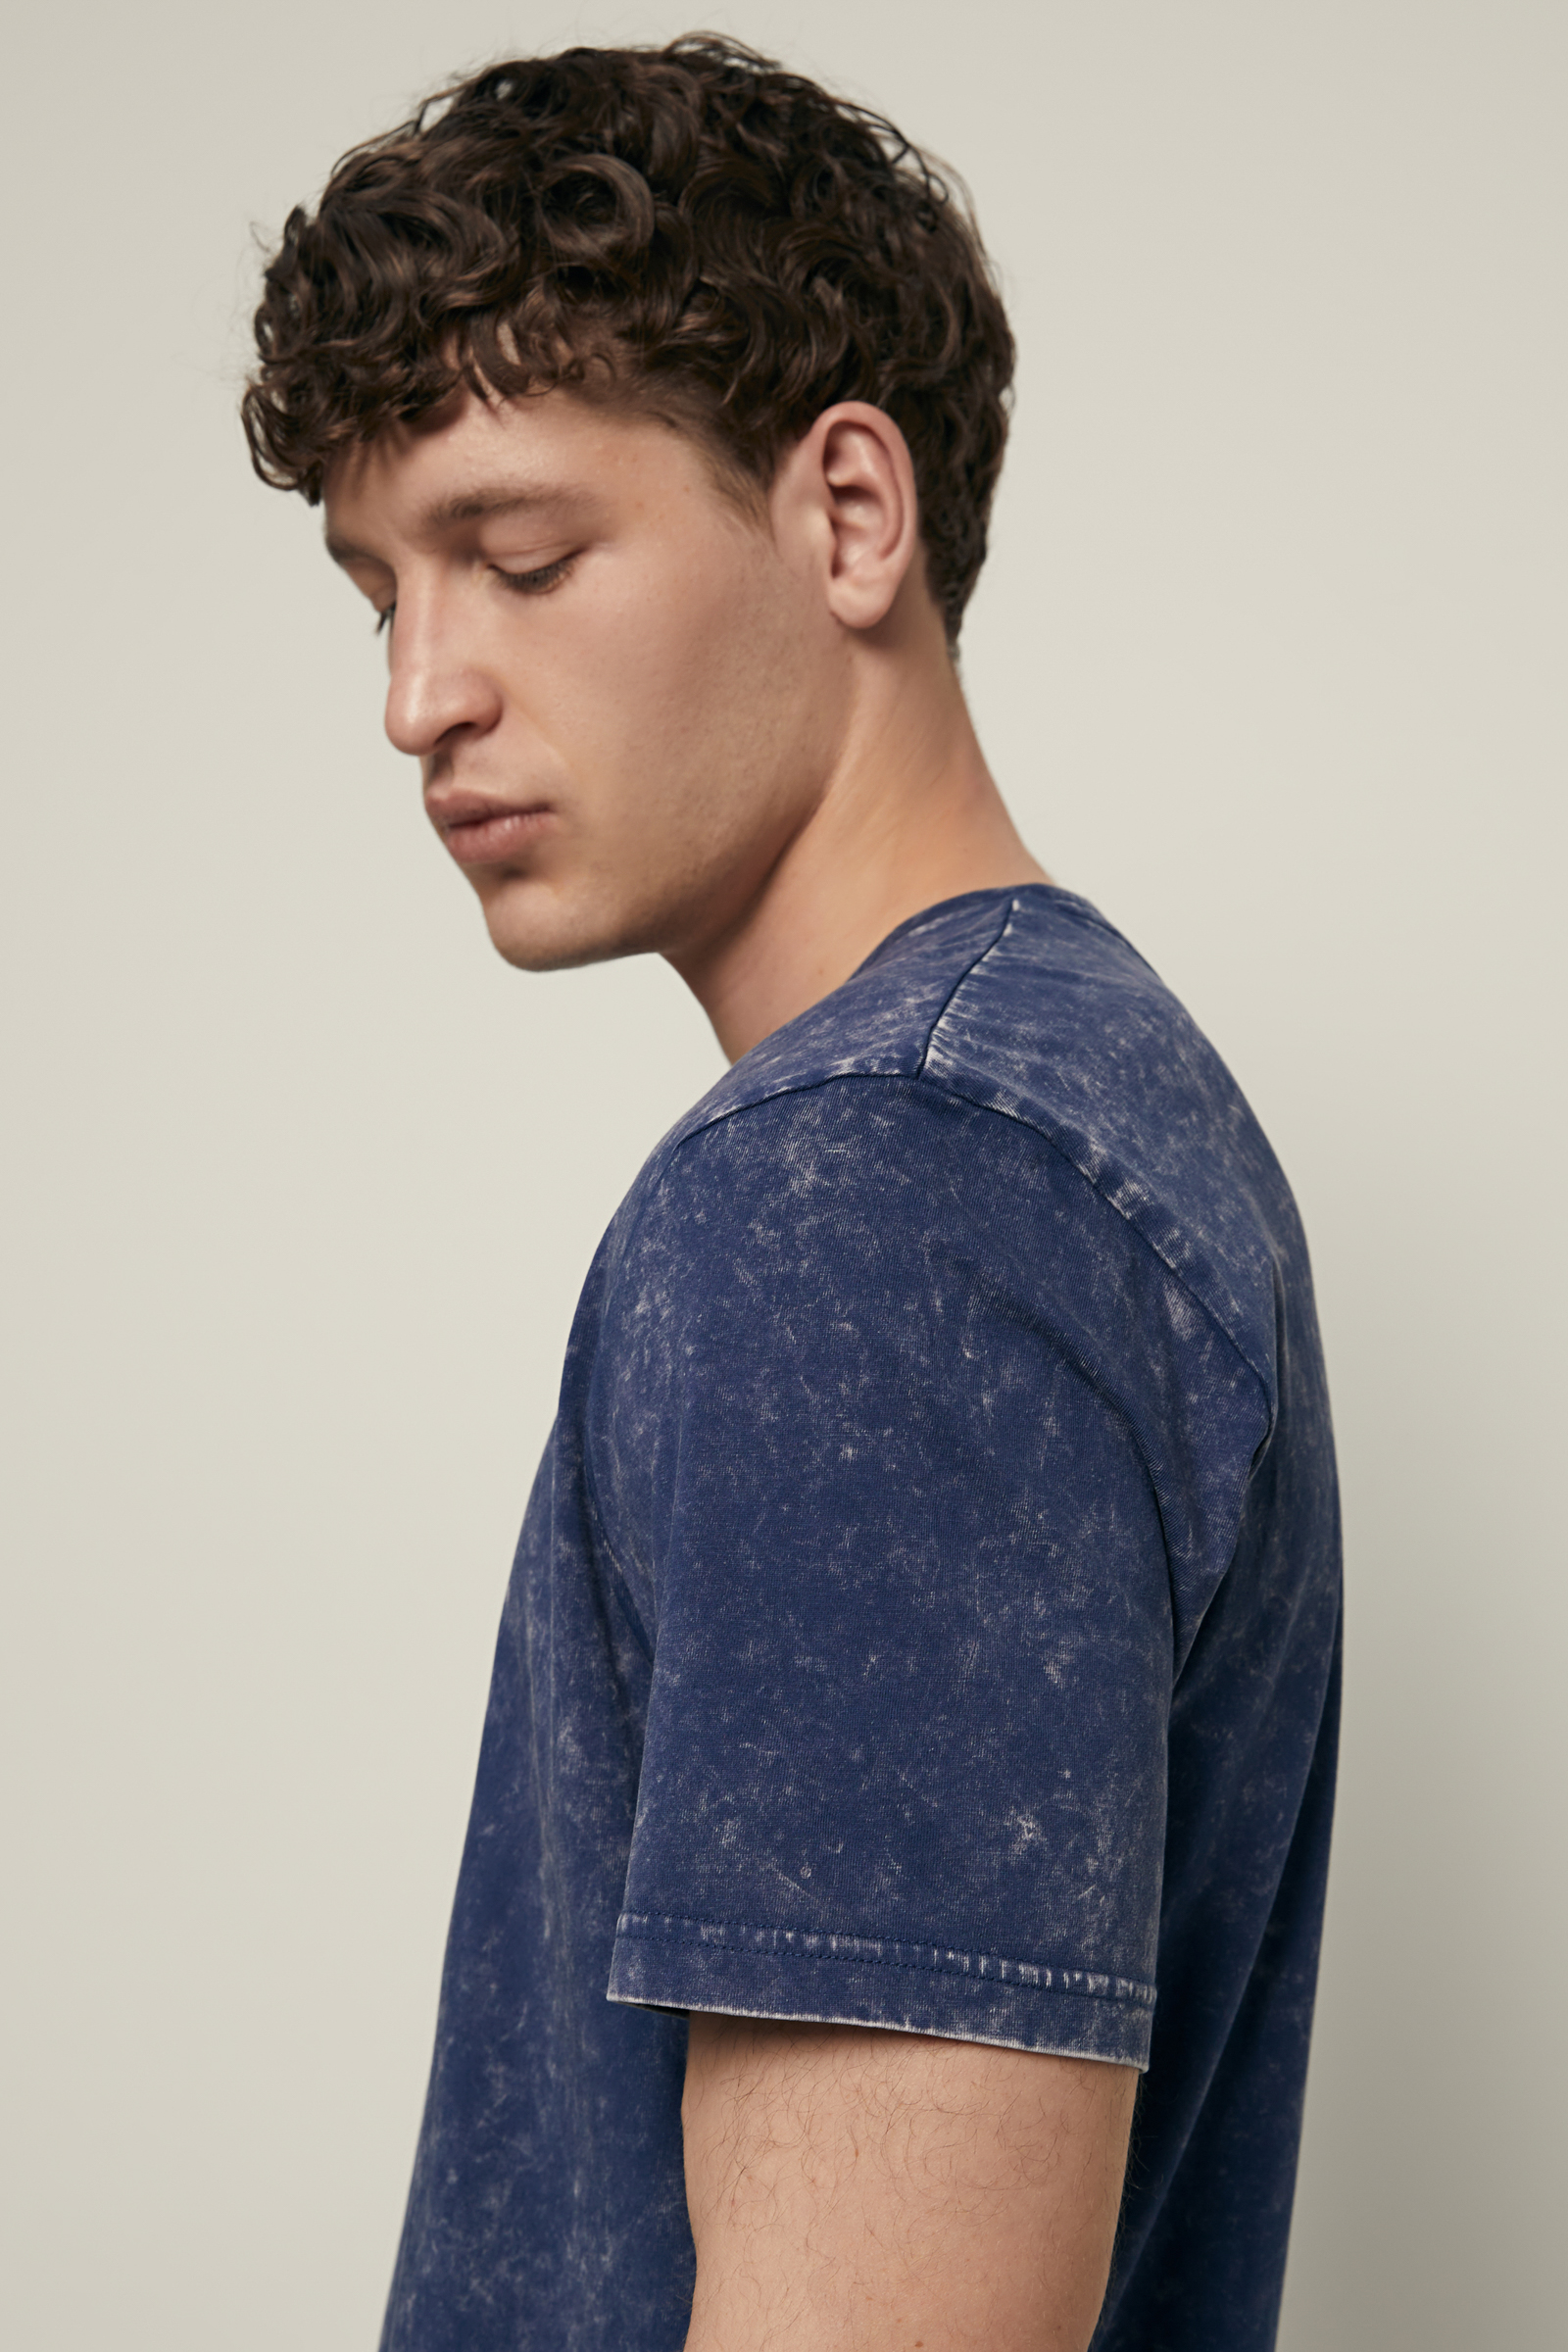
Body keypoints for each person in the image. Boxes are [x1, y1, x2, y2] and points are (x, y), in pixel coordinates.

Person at [243, 35, 1341, 2352]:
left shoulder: (873, 1206)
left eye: (519, 559)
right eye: (377, 594)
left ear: (847, 514)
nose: (419, 695)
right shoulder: (1068, 1109)